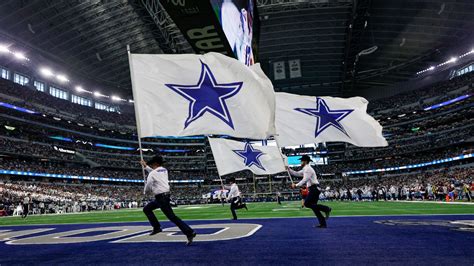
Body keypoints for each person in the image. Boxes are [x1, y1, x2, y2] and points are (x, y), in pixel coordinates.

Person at [141, 156, 196, 246]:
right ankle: (157, 227)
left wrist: (145, 192)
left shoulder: (153, 174)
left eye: (152, 164)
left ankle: (189, 232)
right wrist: (145, 166)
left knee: (172, 217)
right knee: (147, 209)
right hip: (164, 197)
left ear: (155, 163)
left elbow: (149, 185)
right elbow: (154, 172)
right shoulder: (164, 170)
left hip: (161, 198)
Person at [288, 155, 331, 228]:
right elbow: (297, 173)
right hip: (314, 189)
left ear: (305, 161)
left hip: (314, 188)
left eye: (301, 160)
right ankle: (323, 224)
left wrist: (296, 185)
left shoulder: (307, 169)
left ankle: (326, 208)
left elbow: (305, 179)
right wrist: (289, 169)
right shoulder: (305, 169)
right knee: (314, 208)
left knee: (307, 203)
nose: (300, 162)